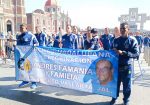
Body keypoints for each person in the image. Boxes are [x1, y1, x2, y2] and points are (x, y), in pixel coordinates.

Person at [111, 22, 139, 105]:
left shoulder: (132, 40)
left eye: (124, 28)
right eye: (121, 29)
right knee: (115, 84)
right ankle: (114, 98)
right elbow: (110, 52)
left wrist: (124, 53)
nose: (122, 30)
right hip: (116, 67)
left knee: (127, 86)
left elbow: (136, 54)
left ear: (128, 30)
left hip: (127, 67)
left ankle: (126, 99)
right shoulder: (116, 40)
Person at [17, 23, 39, 89]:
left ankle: (34, 83)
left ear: (26, 28)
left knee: (32, 69)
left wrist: (34, 45)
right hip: (23, 56)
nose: (21, 30)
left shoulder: (31, 35)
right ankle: (25, 81)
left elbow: (37, 43)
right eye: (20, 28)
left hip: (31, 55)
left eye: (22, 28)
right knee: (23, 69)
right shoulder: (19, 36)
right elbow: (18, 46)